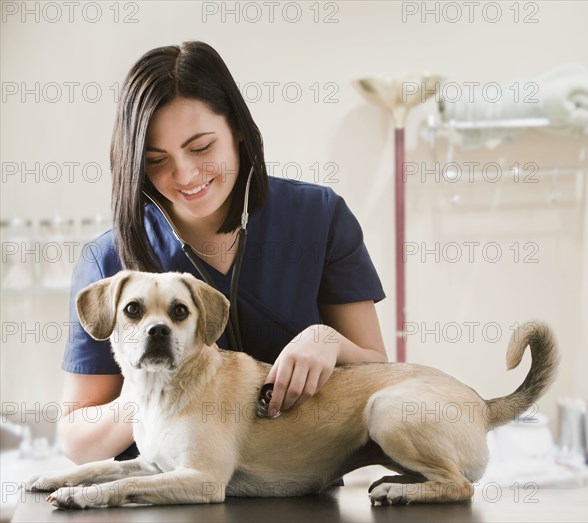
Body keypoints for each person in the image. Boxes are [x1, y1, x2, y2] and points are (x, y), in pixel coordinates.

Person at [59, 41, 387, 464]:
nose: (186, 175)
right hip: (160, 499)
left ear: (236, 129)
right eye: (157, 160)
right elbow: (75, 441)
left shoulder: (318, 218)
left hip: (299, 491)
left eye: (201, 148)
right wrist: (153, 388)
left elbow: (379, 375)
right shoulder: (107, 260)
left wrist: (328, 341)